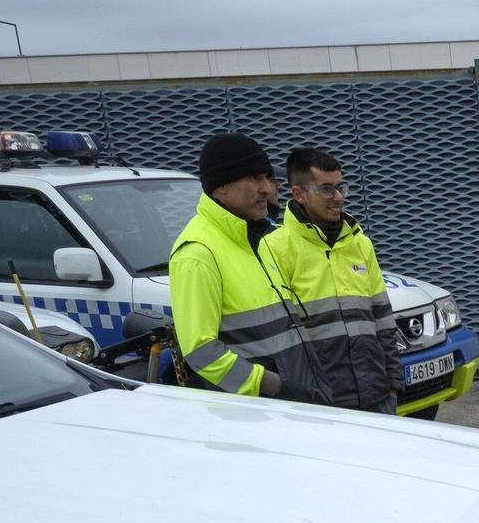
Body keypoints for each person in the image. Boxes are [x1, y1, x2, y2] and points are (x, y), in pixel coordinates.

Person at [168, 132, 315, 400]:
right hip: (255, 412)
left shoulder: (255, 237)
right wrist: (274, 387)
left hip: (294, 401)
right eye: (254, 178)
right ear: (220, 187)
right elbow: (201, 352)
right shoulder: (197, 253)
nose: (268, 189)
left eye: (267, 178)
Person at [256, 147, 402, 416]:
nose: (338, 197)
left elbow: (383, 319)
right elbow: (279, 338)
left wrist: (393, 384)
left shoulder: (360, 243)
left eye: (340, 187)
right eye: (326, 189)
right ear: (298, 194)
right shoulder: (274, 247)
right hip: (320, 403)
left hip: (377, 397)